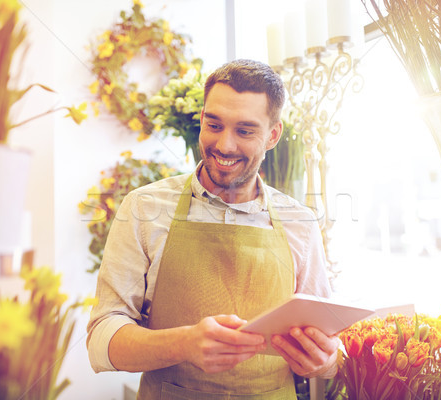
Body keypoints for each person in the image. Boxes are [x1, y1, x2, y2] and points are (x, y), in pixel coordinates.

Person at [87, 59, 339, 399]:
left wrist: (326, 361)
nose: (225, 145)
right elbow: (102, 338)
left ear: (272, 136)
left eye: (245, 131)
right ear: (201, 119)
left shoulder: (300, 223)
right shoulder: (144, 208)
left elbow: (330, 344)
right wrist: (183, 344)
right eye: (214, 125)